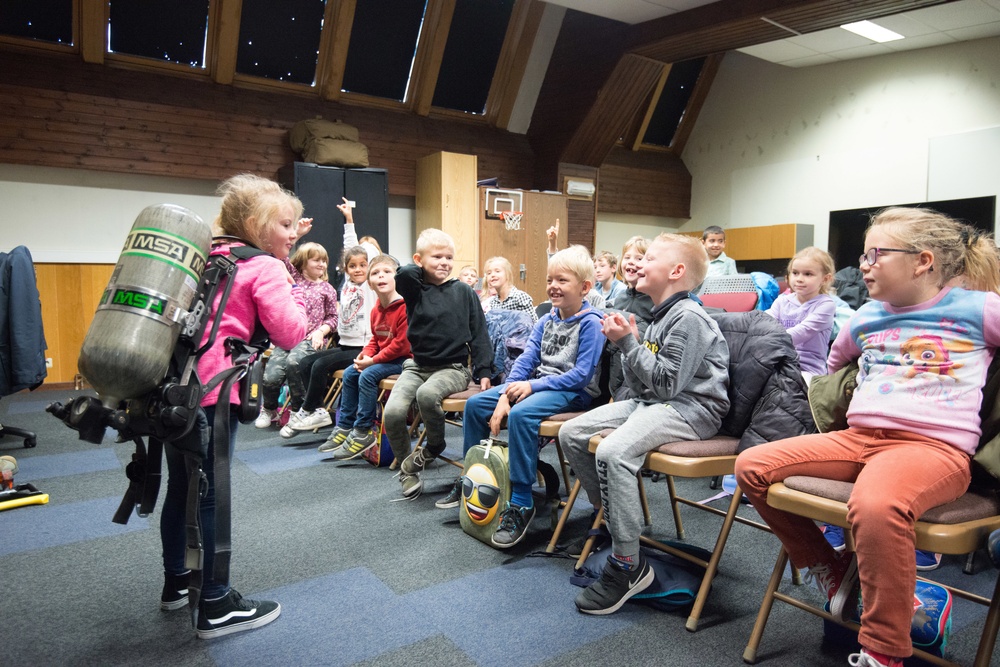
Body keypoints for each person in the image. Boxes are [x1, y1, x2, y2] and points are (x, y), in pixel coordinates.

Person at [735, 207, 1000, 667]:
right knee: (751, 465)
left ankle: (883, 651)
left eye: (877, 253)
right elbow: (839, 362)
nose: (864, 264)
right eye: (863, 254)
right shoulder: (866, 315)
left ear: (923, 261)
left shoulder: (978, 308)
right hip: (858, 439)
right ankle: (832, 569)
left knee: (875, 507)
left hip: (931, 448)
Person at [160, 174, 308, 638]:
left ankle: (177, 584)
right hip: (212, 398)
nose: (294, 232)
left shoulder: (205, 254)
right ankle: (217, 603)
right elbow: (290, 332)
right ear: (253, 224)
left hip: (172, 391)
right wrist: (293, 283)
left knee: (179, 486)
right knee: (210, 494)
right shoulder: (264, 267)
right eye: (285, 224)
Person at [561, 233, 730, 615]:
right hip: (655, 402)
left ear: (676, 271)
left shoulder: (688, 317)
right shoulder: (660, 314)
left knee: (613, 451)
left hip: (692, 410)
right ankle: (614, 522)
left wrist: (629, 345)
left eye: (649, 257)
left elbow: (669, 386)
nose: (637, 264)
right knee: (573, 433)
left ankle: (627, 564)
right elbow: (643, 385)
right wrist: (630, 342)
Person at [437, 246, 605, 548]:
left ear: (584, 287)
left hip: (574, 393)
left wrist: (530, 389)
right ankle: (474, 477)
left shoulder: (592, 322)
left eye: (562, 281)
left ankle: (521, 501)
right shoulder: (547, 319)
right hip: (539, 386)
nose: (553, 286)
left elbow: (581, 375)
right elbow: (526, 361)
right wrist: (504, 395)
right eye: (550, 279)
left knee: (522, 414)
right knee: (476, 405)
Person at [383, 228, 494, 498]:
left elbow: (479, 332)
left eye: (449, 257)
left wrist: (484, 370)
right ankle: (407, 471)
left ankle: (434, 446)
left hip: (453, 368)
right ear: (419, 259)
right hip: (416, 366)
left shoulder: (464, 292)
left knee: (426, 395)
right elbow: (404, 274)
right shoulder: (414, 289)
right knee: (393, 413)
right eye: (437, 257)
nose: (444, 262)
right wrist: (421, 265)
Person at [282, 199, 377, 437]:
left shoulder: (369, 287)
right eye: (352, 266)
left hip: (364, 348)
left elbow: (355, 247)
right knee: (305, 363)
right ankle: (319, 410)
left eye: (362, 266)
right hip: (346, 343)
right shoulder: (345, 284)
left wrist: (349, 220)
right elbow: (349, 252)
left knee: (321, 365)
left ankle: (307, 409)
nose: (357, 269)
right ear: (345, 269)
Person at [323, 254, 412, 458]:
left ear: (396, 278)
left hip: (405, 360)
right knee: (350, 373)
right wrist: (364, 356)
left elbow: (400, 346)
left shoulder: (405, 308)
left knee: (368, 375)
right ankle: (345, 426)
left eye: (387, 272)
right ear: (370, 284)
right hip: (384, 358)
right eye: (375, 273)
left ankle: (363, 430)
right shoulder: (376, 310)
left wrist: (371, 361)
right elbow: (375, 340)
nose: (381, 276)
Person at [255, 242, 338, 428]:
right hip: (289, 336)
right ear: (302, 262)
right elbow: (280, 258)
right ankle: (269, 409)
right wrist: (297, 235)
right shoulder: (294, 279)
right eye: (316, 260)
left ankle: (297, 410)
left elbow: (333, 318)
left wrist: (320, 331)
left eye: (324, 261)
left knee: (295, 363)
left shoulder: (328, 289)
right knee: (271, 376)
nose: (322, 264)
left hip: (311, 339)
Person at [765, 246, 836, 382]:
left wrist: (767, 339)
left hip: (808, 368)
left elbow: (802, 332)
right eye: (795, 273)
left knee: (791, 389)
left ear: (825, 279)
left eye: (808, 274)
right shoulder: (782, 301)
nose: (799, 279)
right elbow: (765, 322)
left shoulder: (825, 305)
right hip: (778, 361)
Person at [608, 236, 654, 399]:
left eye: (639, 258)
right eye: (627, 257)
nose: (631, 262)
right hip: (616, 358)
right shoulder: (620, 297)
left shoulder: (653, 299)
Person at [482, 256, 537, 323]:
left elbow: (534, 324)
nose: (492, 275)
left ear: (507, 274)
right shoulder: (493, 302)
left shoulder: (520, 297)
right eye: (489, 273)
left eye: (497, 271)